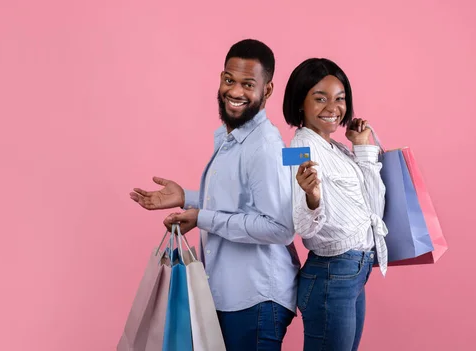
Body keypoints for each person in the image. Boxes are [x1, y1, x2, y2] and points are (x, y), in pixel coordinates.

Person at [129, 39, 300, 350]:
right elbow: (242, 203)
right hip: (231, 297)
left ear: (268, 90)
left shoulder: (264, 147)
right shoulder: (234, 139)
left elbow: (279, 227)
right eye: (228, 79)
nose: (234, 92)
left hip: (255, 300)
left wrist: (203, 217)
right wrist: (187, 198)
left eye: (248, 84)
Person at [282, 58, 388, 351]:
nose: (333, 107)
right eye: (320, 99)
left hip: (354, 271)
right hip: (332, 274)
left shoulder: (338, 148)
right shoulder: (298, 148)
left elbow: (375, 209)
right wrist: (312, 198)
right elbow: (302, 226)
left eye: (340, 99)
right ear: (300, 103)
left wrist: (363, 147)